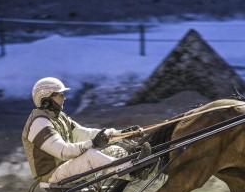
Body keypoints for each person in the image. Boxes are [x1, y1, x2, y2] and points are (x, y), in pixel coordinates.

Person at [21, 77, 149, 184]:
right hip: (51, 176)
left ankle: (136, 163)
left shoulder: (59, 117)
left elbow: (85, 134)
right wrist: (93, 143)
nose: (64, 98)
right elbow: (63, 151)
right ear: (47, 98)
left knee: (112, 150)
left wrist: (121, 134)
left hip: (65, 167)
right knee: (90, 156)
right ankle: (133, 170)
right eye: (61, 94)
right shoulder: (39, 123)